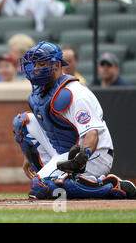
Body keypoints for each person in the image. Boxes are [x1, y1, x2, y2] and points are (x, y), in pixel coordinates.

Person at [12, 41, 136, 200]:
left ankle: (112, 186)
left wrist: (83, 156)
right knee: (23, 122)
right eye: (34, 65)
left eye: (41, 64)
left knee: (43, 186)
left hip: (94, 153)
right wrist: (28, 156)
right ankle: (53, 179)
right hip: (63, 150)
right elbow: (46, 128)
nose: (35, 70)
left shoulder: (75, 93)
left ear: (56, 65)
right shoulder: (40, 94)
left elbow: (92, 133)